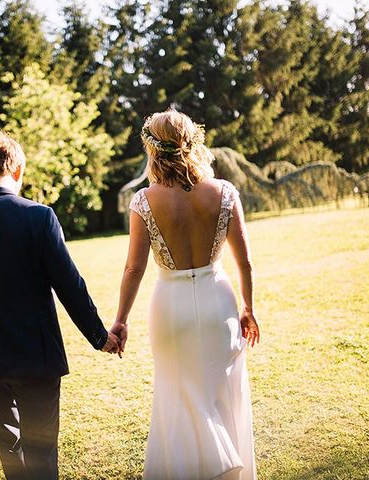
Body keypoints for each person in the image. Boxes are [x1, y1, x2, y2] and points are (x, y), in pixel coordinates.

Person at [0, 133, 122, 480]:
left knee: (8, 446)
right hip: (37, 355)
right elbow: (70, 286)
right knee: (41, 450)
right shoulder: (39, 217)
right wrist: (99, 336)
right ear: (19, 169)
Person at [111, 110, 260, 479]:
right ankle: (227, 465)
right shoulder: (224, 192)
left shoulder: (144, 201)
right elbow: (246, 263)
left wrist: (120, 320)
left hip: (170, 309)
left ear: (152, 149)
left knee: (177, 397)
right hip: (219, 305)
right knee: (220, 392)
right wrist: (248, 308)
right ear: (194, 143)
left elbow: (134, 268)